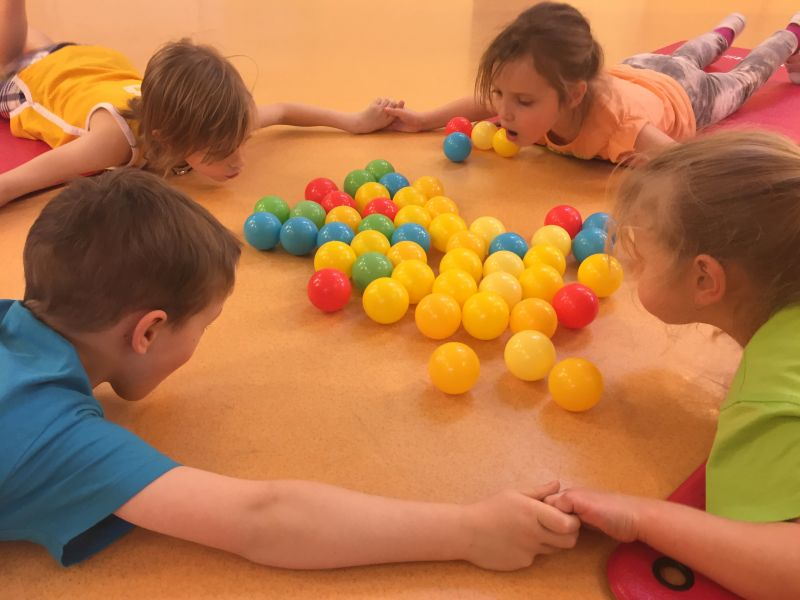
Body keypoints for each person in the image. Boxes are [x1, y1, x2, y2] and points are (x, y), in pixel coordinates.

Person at [0, 167, 580, 569]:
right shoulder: (54, 438)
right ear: (148, 331)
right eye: (204, 326)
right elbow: (265, 521)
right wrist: (471, 532)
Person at [544, 131, 800, 600]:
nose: (630, 264)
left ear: (705, 279)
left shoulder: (765, 397)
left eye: (642, 255)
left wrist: (641, 517)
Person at [0, 0, 402, 207]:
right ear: (166, 136)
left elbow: (283, 111)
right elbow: (22, 180)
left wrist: (354, 122)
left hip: (90, 63)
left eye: (240, 144)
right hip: (37, 82)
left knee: (37, 45)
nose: (239, 161)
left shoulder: (218, 123)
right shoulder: (113, 140)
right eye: (224, 153)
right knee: (11, 56)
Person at [383, 2, 800, 164]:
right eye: (500, 94)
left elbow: (683, 160)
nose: (503, 112)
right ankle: (728, 27)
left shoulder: (620, 127)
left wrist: (652, 168)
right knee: (686, 54)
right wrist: (422, 119)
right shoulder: (534, 101)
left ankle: (791, 33)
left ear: (574, 95)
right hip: (636, 69)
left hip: (686, 94)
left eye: (522, 101)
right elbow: (480, 102)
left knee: (744, 77)